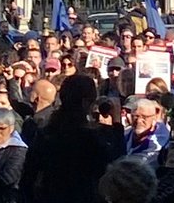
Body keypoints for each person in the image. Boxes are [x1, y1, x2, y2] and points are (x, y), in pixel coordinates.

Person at [19, 74, 122, 203]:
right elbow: (118, 165)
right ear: (86, 102)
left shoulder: (46, 133)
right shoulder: (90, 139)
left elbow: (27, 179)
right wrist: (117, 123)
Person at [125, 97, 169, 165]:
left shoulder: (159, 140)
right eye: (136, 116)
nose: (139, 121)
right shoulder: (125, 134)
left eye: (144, 117)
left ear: (154, 118)